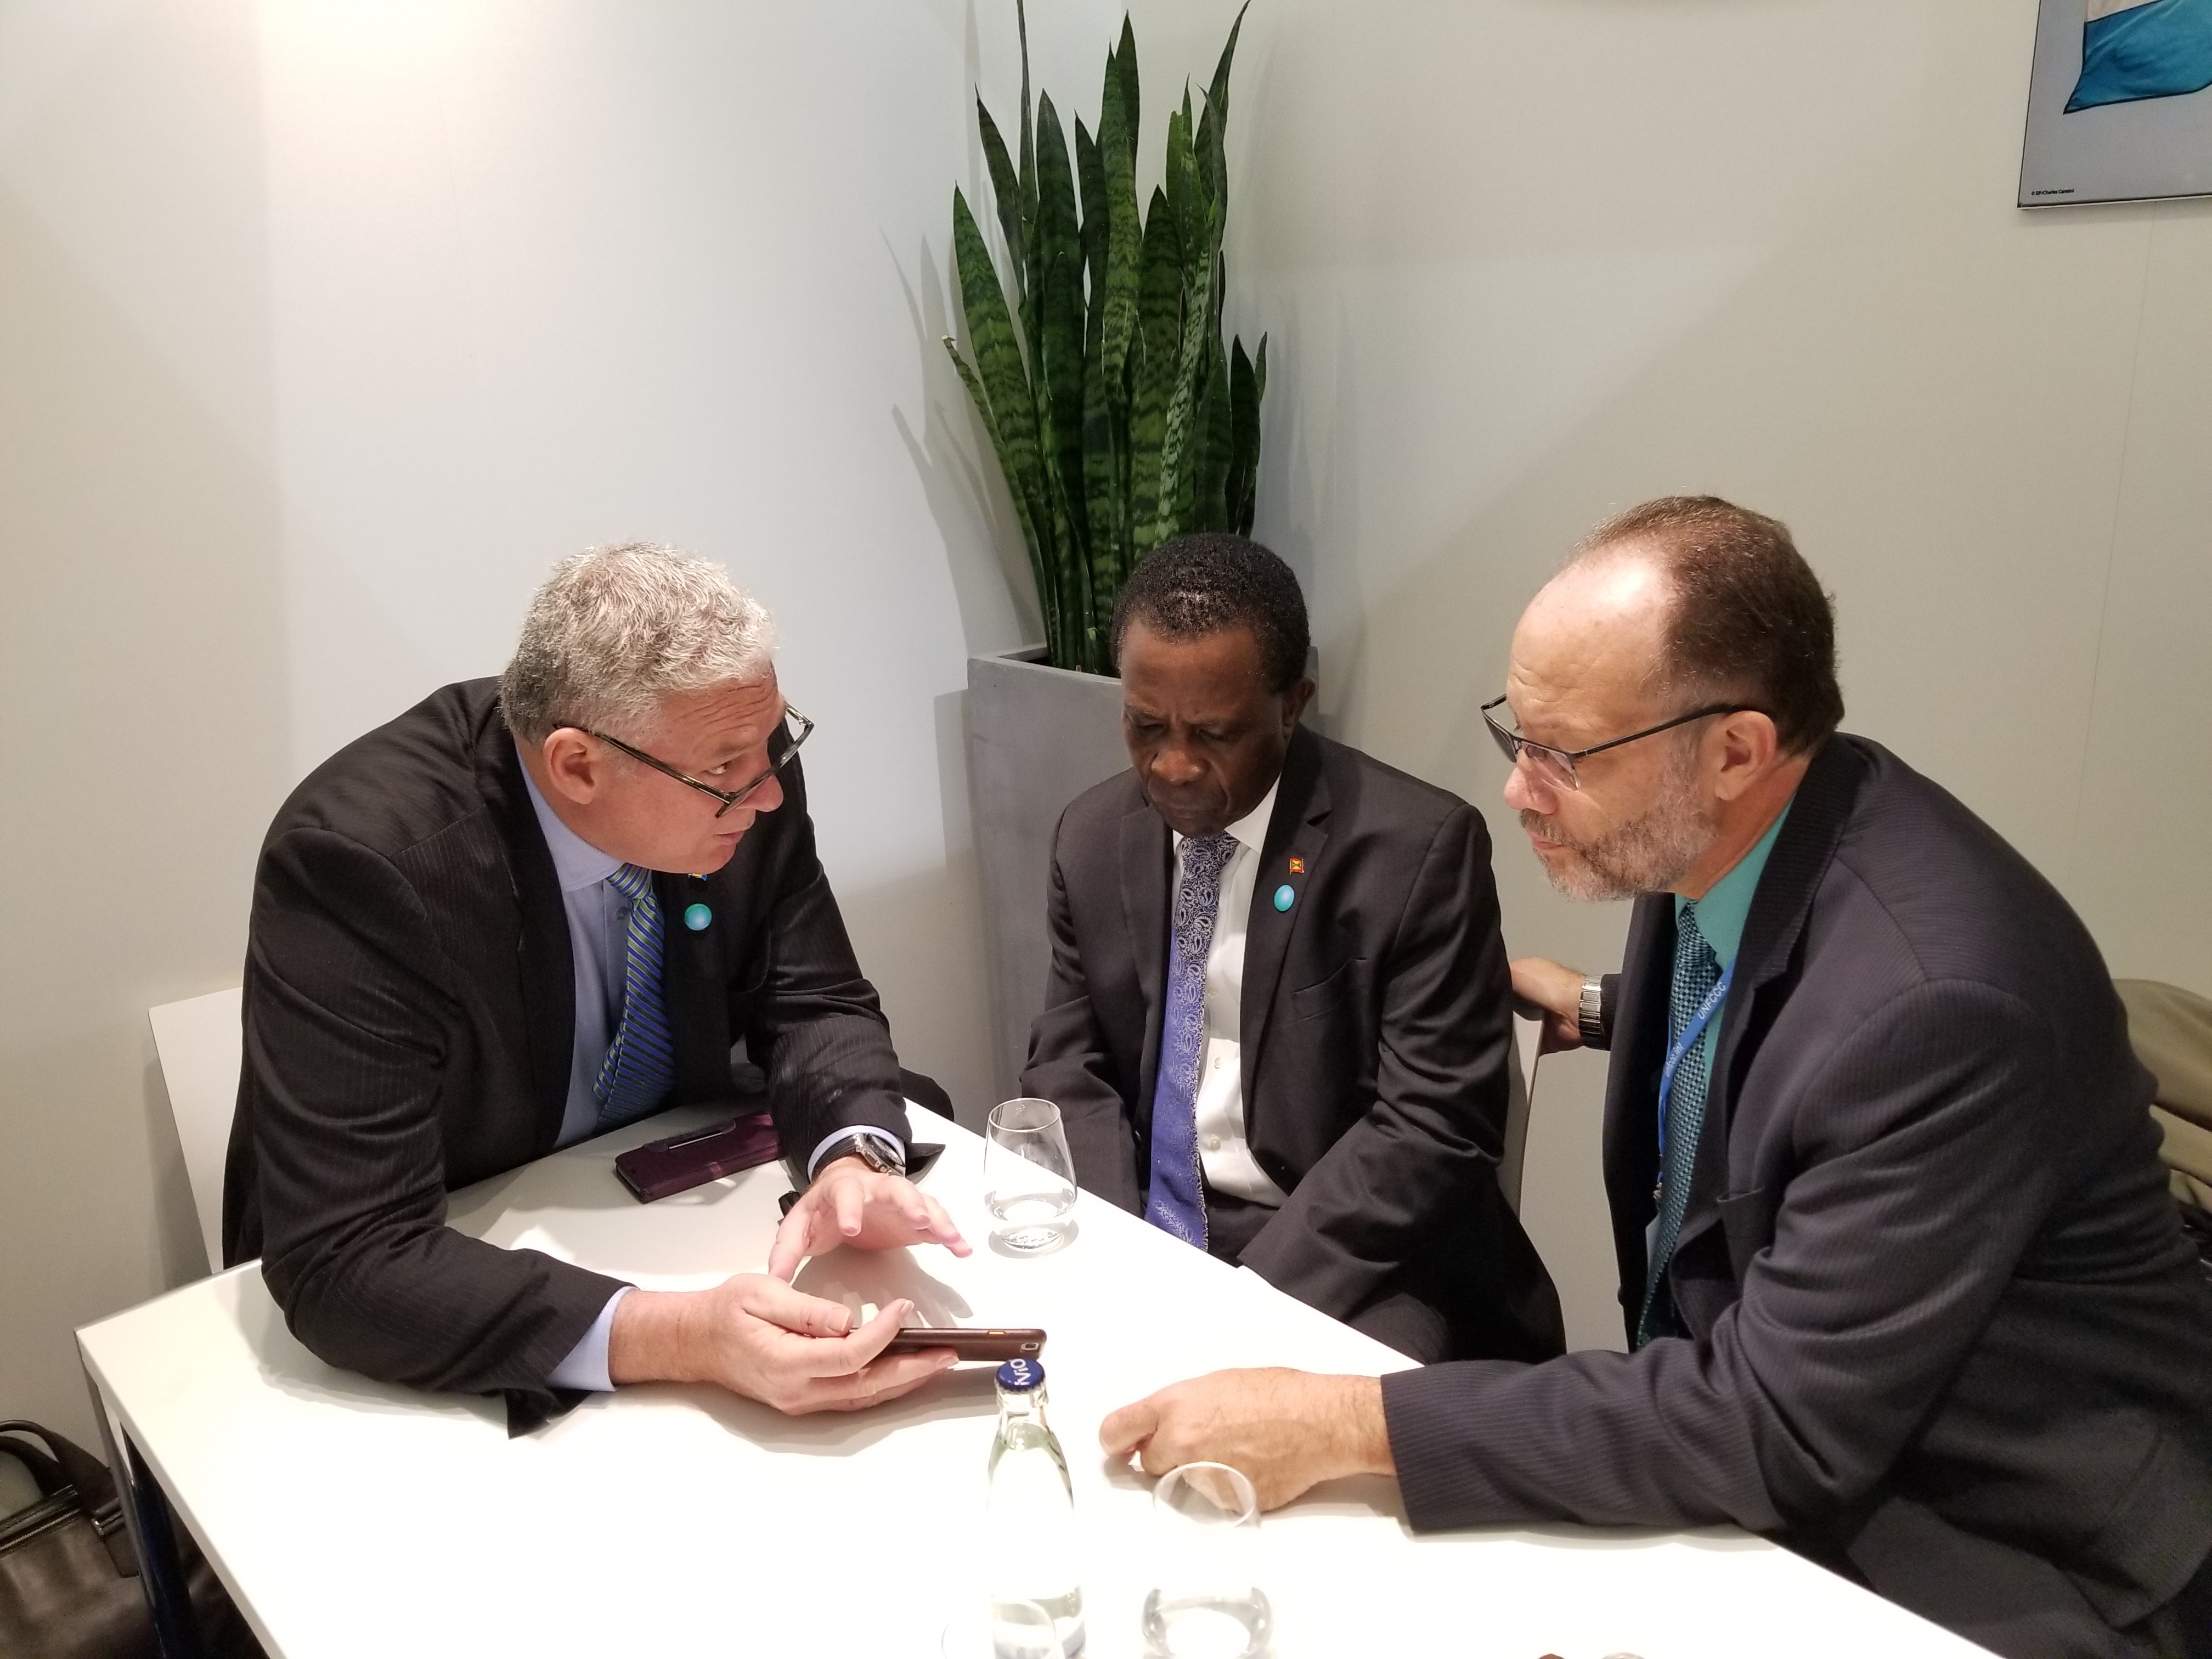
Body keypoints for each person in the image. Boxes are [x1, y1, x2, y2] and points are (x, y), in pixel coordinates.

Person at [1097, 499, 2212, 1659]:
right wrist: (1601, 1007)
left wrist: (1346, 1420)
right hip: (1800, 1448)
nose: (1521, 790)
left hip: (1995, 1546)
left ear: (1734, 750)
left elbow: (1770, 1424)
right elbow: (1781, 1003)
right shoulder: (1737, 839)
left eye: (1563, 755)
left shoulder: (1940, 1010)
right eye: (1517, 735)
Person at [224, 545, 969, 1431]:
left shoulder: (736, 758)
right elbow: (348, 1253)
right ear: (576, 766)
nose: (767, 794)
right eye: (726, 770)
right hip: (470, 1260)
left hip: (666, 1198)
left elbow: (814, 997)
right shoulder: (367, 862)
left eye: (773, 743)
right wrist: (683, 1337)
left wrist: (852, 1159)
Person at [1023, 533, 1562, 1363]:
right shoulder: (1091, 836)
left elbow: (1433, 1126)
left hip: (1354, 1252)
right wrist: (1124, 1252)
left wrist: (1238, 1301)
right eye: (1145, 725)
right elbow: (1069, 1064)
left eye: (1215, 733)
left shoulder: (1414, 852)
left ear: (1293, 704)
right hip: (1147, 1224)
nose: (1174, 765)